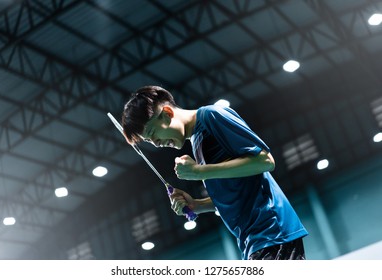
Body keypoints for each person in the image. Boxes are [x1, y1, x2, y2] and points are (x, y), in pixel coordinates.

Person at [121, 85, 308, 260]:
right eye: (149, 141)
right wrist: (197, 205)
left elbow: (265, 161)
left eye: (153, 133)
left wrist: (199, 172)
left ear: (167, 113)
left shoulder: (212, 116)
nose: (156, 143)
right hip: (254, 240)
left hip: (272, 233)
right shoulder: (196, 140)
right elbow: (238, 189)